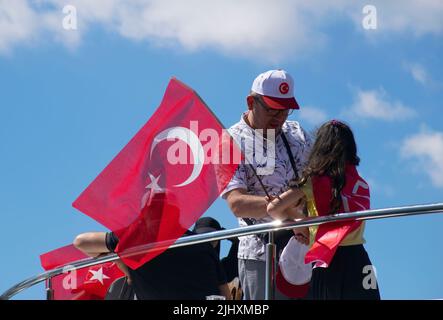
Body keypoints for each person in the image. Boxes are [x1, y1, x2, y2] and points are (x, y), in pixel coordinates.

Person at [221, 69, 312, 300]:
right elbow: (237, 203)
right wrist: (289, 210)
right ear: (251, 102)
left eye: (285, 110)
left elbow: (321, 179)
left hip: (305, 252)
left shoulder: (297, 133)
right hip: (260, 254)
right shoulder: (228, 141)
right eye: (272, 109)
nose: (280, 118)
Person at [267, 120, 381, 300]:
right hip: (359, 259)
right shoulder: (361, 184)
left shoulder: (311, 181)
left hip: (325, 258)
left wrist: (297, 223)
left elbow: (272, 208)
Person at [73, 229, 231, 300]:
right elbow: (226, 295)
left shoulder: (135, 243)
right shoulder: (202, 245)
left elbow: (81, 242)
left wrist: (121, 260)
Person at [193, 216, 241, 299]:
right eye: (202, 237)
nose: (206, 242)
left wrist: (229, 236)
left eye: (211, 237)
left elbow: (239, 248)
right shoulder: (187, 264)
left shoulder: (225, 267)